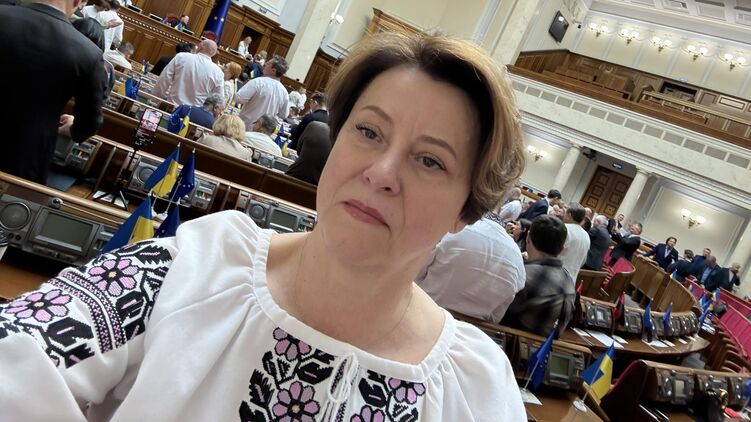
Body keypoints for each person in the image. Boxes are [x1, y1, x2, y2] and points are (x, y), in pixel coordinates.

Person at [0, 31, 528, 419]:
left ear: (466, 211)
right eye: (369, 132)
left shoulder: (475, 388)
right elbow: (16, 355)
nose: (382, 173)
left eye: (430, 161)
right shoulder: (195, 270)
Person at [0, 0, 106, 184]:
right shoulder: (89, 53)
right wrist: (74, 130)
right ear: (78, 1)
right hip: (26, 157)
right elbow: (90, 123)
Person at [417, 214, 526, 323]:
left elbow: (417, 273)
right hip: (474, 327)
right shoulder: (517, 255)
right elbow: (496, 316)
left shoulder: (456, 229)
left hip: (424, 312)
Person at [502, 215, 576, 338]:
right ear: (562, 249)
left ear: (528, 237)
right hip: (546, 347)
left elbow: (496, 313)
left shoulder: (523, 274)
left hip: (508, 343)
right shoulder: (569, 281)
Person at [153, 39, 224, 106]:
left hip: (171, 106)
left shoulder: (181, 57)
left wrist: (157, 98)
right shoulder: (218, 72)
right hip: (194, 112)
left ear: (200, 46)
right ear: (213, 53)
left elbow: (164, 79)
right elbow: (218, 98)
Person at [235, 55, 290, 129]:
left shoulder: (257, 82)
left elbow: (239, 98)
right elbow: (283, 115)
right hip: (264, 131)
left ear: (273, 70)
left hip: (245, 127)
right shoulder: (284, 92)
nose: (265, 64)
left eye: (268, 63)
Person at [285, 121, 331, 185]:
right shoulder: (342, 143)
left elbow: (298, 150)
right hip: (316, 187)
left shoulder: (315, 125)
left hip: (292, 177)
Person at [558, 203, 590, 283]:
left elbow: (550, 252)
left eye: (565, 213)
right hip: (571, 280)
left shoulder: (564, 228)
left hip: (555, 275)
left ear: (569, 215)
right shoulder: (586, 235)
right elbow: (584, 260)